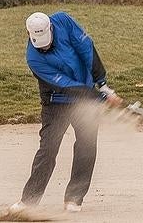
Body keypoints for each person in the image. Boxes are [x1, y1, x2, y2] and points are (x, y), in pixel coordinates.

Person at [9, 11, 122, 213]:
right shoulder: (34, 59)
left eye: (47, 42)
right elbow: (67, 87)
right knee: (48, 150)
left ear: (51, 28)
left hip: (86, 96)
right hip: (57, 102)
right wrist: (100, 97)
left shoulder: (63, 21)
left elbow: (86, 48)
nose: (44, 47)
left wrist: (102, 83)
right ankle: (29, 201)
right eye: (40, 44)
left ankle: (74, 199)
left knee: (86, 146)